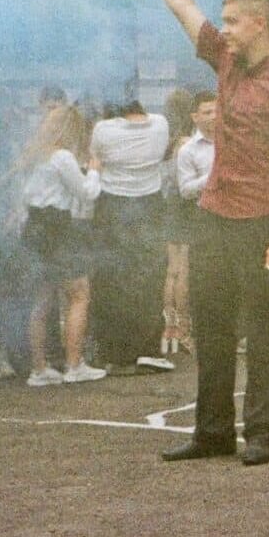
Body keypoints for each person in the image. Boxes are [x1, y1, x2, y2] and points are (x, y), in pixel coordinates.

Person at [127, 0, 269, 466]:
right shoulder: (225, 59)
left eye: (232, 20)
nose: (222, 27)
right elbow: (182, 7)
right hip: (215, 214)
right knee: (213, 326)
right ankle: (213, 431)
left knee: (266, 330)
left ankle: (259, 433)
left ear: (260, 23)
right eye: (223, 19)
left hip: (263, 222)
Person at [18, 103, 105, 387]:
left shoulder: (34, 156)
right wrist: (94, 170)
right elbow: (87, 193)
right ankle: (74, 364)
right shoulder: (62, 157)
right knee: (79, 293)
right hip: (57, 227)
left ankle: (40, 368)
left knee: (41, 298)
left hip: (34, 227)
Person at [89, 100, 173, 375]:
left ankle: (115, 351)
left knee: (112, 277)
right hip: (150, 203)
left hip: (113, 204)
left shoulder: (103, 129)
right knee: (149, 277)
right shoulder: (160, 125)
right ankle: (148, 348)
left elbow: (96, 156)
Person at [163, 92, 214, 356]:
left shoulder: (172, 140)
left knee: (175, 271)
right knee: (182, 271)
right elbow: (184, 187)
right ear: (191, 114)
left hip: (177, 209)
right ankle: (181, 330)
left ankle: (173, 327)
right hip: (186, 210)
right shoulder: (186, 144)